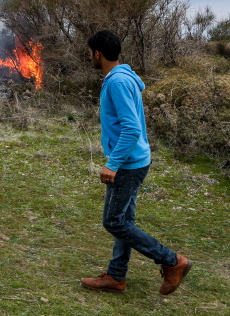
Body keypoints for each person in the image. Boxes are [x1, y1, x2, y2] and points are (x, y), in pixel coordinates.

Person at [80, 30, 191, 295]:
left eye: (90, 52)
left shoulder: (117, 82)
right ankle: (116, 276)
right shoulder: (124, 76)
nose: (90, 57)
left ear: (97, 53)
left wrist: (112, 163)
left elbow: (130, 129)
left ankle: (172, 261)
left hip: (128, 163)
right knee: (124, 220)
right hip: (137, 159)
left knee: (114, 222)